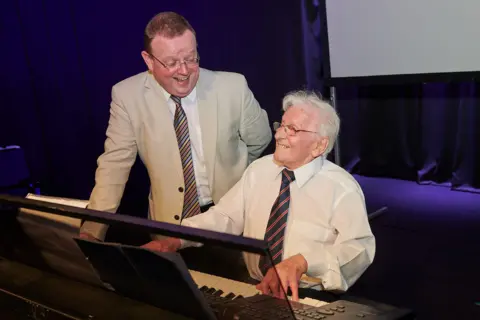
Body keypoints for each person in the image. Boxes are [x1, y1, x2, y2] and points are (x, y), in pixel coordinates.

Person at [143, 90, 376, 301]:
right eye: (281, 125)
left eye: (292, 130)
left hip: (309, 296)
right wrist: (177, 238)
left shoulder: (341, 188)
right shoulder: (260, 170)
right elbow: (226, 217)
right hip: (254, 287)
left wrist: (303, 262)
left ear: (319, 145)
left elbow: (358, 249)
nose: (279, 135)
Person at [80, 12, 271, 241]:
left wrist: (237, 174)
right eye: (171, 63)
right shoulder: (127, 96)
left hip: (232, 224)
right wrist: (92, 232)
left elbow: (261, 139)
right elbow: (114, 167)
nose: (184, 71)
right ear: (149, 61)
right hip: (168, 228)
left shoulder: (233, 87)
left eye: (191, 58)